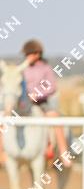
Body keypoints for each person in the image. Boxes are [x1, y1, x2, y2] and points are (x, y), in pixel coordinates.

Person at [20, 39, 70, 167]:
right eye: (26, 54)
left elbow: (52, 87)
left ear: (37, 54)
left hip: (42, 102)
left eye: (30, 54)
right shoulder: (23, 69)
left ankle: (63, 152)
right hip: (26, 103)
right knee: (7, 118)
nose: (27, 57)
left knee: (54, 117)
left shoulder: (45, 68)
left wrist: (37, 94)